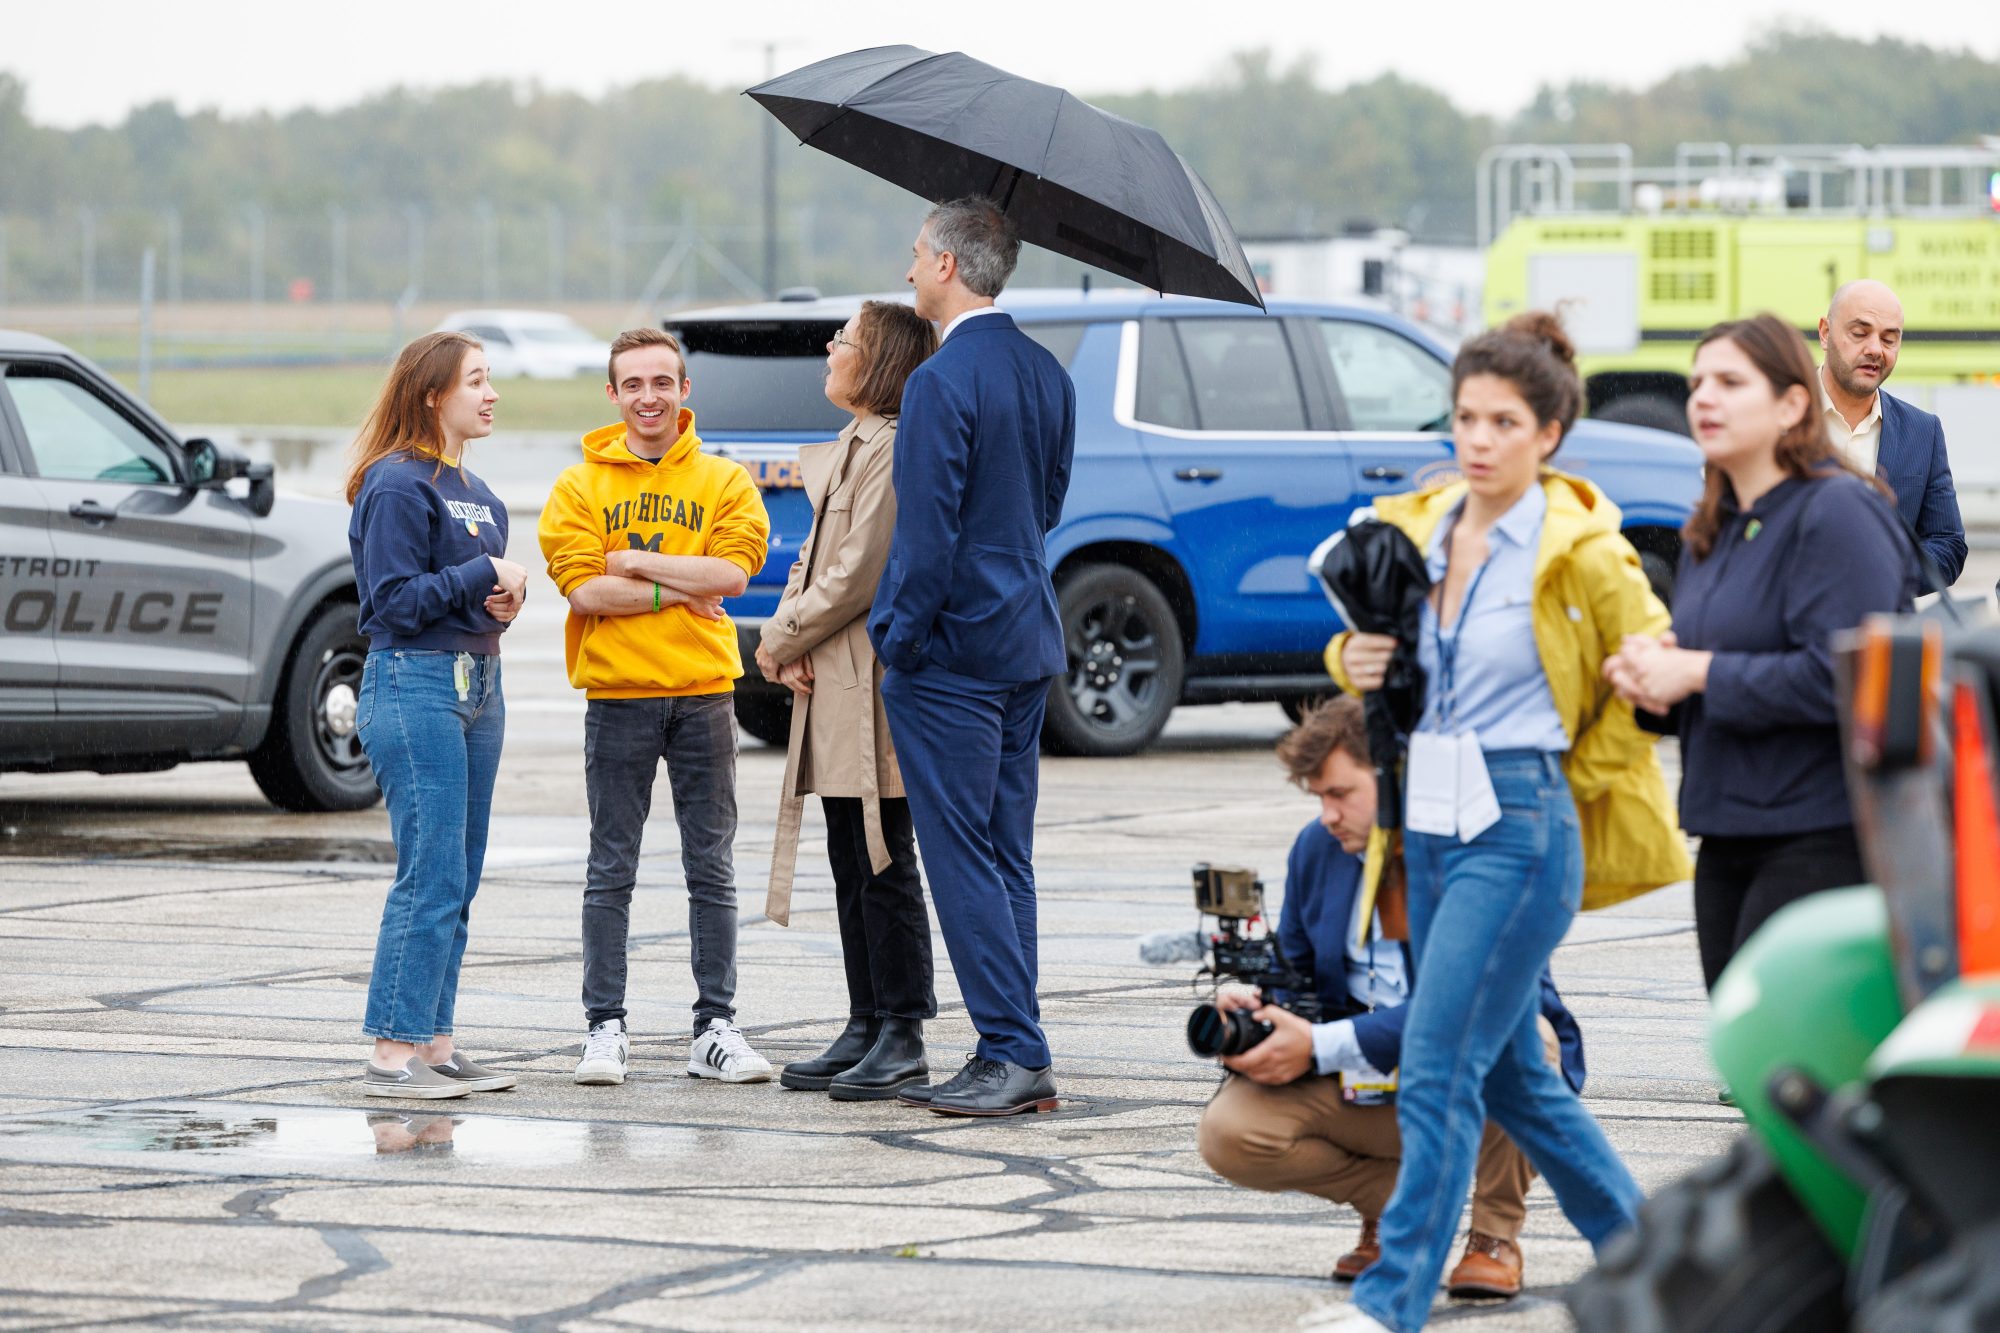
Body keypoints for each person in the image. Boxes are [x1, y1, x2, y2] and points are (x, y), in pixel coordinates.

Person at [1313, 312, 1688, 1333]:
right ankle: (1667, 1279)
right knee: (1522, 1081)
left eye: (1501, 421)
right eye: (1465, 417)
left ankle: (1389, 1302)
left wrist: (1644, 674)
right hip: (1422, 824)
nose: (1476, 439)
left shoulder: (1581, 549)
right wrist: (1348, 662)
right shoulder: (1420, 525)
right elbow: (1364, 653)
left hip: (1519, 825)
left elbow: (1653, 655)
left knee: (1434, 1066)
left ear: (1548, 433)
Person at [1196, 697, 1588, 1300]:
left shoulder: (1469, 845)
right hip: (1366, 1071)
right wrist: (1260, 1010)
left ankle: (1493, 1236)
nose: (1327, 815)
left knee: (1525, 1035)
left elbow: (1471, 1002)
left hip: (1464, 1056)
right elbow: (1295, 972)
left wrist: (1324, 1043)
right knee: (1230, 1132)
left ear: (1393, 771)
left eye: (1340, 793)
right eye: (1319, 798)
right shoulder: (1316, 849)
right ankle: (1394, 1208)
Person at [1605, 314, 1919, 993]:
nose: (1702, 399)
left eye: (1729, 382)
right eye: (1696, 384)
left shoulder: (1836, 513)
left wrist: (1696, 669)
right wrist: (1653, 680)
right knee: (1749, 1071)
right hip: (1727, 831)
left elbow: (1845, 675)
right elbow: (1716, 680)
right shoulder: (1709, 531)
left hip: (1821, 834)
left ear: (1791, 403)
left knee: (1797, 1071)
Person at [868, 197, 1077, 1118]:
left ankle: (1011, 1047)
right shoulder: (1047, 373)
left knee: (959, 855)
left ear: (950, 266)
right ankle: (1015, 1036)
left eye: (916, 253)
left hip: (950, 649)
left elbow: (927, 533)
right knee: (1006, 853)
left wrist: (898, 640)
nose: (909, 267)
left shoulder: (940, 383)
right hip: (1026, 636)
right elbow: (1049, 505)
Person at [538, 328, 774, 1086]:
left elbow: (734, 575)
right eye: (632, 384)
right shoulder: (578, 489)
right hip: (618, 698)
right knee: (612, 867)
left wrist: (636, 561)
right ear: (612, 394)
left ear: (684, 392)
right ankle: (604, 1027)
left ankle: (716, 1027)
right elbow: (583, 590)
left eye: (662, 383)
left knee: (712, 867)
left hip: (704, 694)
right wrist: (684, 584)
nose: (648, 397)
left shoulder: (725, 481)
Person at [758, 300, 942, 1101]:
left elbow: (859, 571)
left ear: (879, 364)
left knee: (883, 849)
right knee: (845, 845)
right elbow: (809, 560)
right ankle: (866, 1018)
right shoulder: (849, 443)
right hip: (831, 668)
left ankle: (903, 1029)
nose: (830, 351)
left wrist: (782, 636)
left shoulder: (893, 448)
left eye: (845, 342)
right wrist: (789, 636)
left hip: (870, 675)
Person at [348, 331, 527, 1100]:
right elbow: (389, 604)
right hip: (413, 684)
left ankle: (436, 1042)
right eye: (477, 380)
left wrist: (503, 601)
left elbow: (464, 597)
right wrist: (482, 572)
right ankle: (392, 1051)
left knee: (462, 871)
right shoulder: (396, 485)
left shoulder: (481, 495)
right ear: (432, 393)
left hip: (478, 684)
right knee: (429, 872)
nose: (491, 394)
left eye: (490, 380)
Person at [1816, 280, 1964, 584]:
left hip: (1882, 624)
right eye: (1859, 333)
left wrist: (1884, 576)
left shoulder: (1923, 432)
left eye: (1889, 339)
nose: (1875, 349)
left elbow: (1948, 545)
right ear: (1825, 333)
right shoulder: (1777, 421)